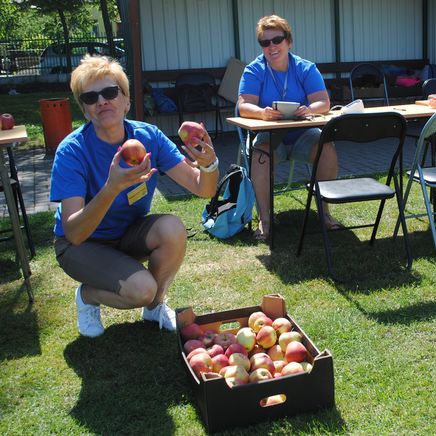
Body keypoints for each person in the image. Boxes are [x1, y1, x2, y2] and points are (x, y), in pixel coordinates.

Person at [50, 55, 219, 338]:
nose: (102, 101)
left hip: (126, 234)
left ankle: (154, 307)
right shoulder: (72, 151)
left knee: (173, 228)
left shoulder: (148, 137)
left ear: (126, 100)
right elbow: (74, 233)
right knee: (141, 289)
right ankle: (88, 296)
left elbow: (203, 188)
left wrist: (209, 164)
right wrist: (112, 187)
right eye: (91, 97)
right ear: (85, 109)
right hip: (81, 246)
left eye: (110, 92)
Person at [237, 14, 339, 240]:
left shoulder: (305, 67)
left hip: (304, 133)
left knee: (328, 149)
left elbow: (323, 102)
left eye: (277, 40)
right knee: (260, 156)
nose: (271, 46)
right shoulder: (254, 70)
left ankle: (325, 212)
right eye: (265, 42)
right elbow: (243, 105)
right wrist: (262, 113)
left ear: (288, 41)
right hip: (270, 135)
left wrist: (310, 109)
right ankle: (265, 221)